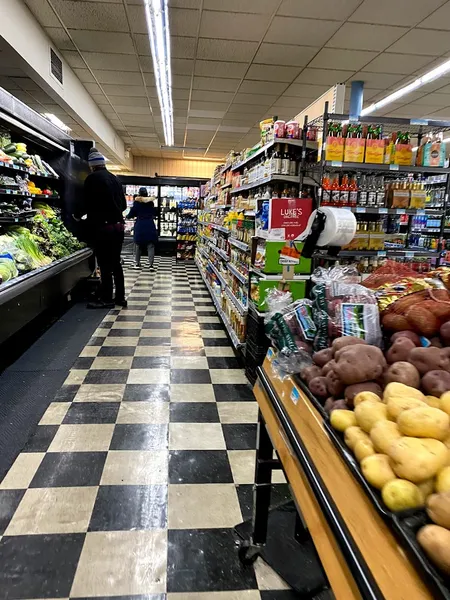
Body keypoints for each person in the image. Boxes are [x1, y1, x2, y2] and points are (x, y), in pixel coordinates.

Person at [73, 148, 127, 309]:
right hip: (118, 227)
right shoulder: (115, 179)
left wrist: (77, 215)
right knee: (116, 263)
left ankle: (106, 298)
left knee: (104, 265)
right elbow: (123, 205)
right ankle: (120, 297)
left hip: (103, 228)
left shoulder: (92, 179)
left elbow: (86, 203)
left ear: (92, 166)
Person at [127, 187, 158, 270]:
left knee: (138, 244)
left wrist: (128, 216)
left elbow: (131, 214)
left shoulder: (137, 203)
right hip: (150, 225)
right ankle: (151, 265)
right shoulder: (151, 203)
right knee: (150, 245)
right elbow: (155, 213)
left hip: (140, 225)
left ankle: (137, 263)